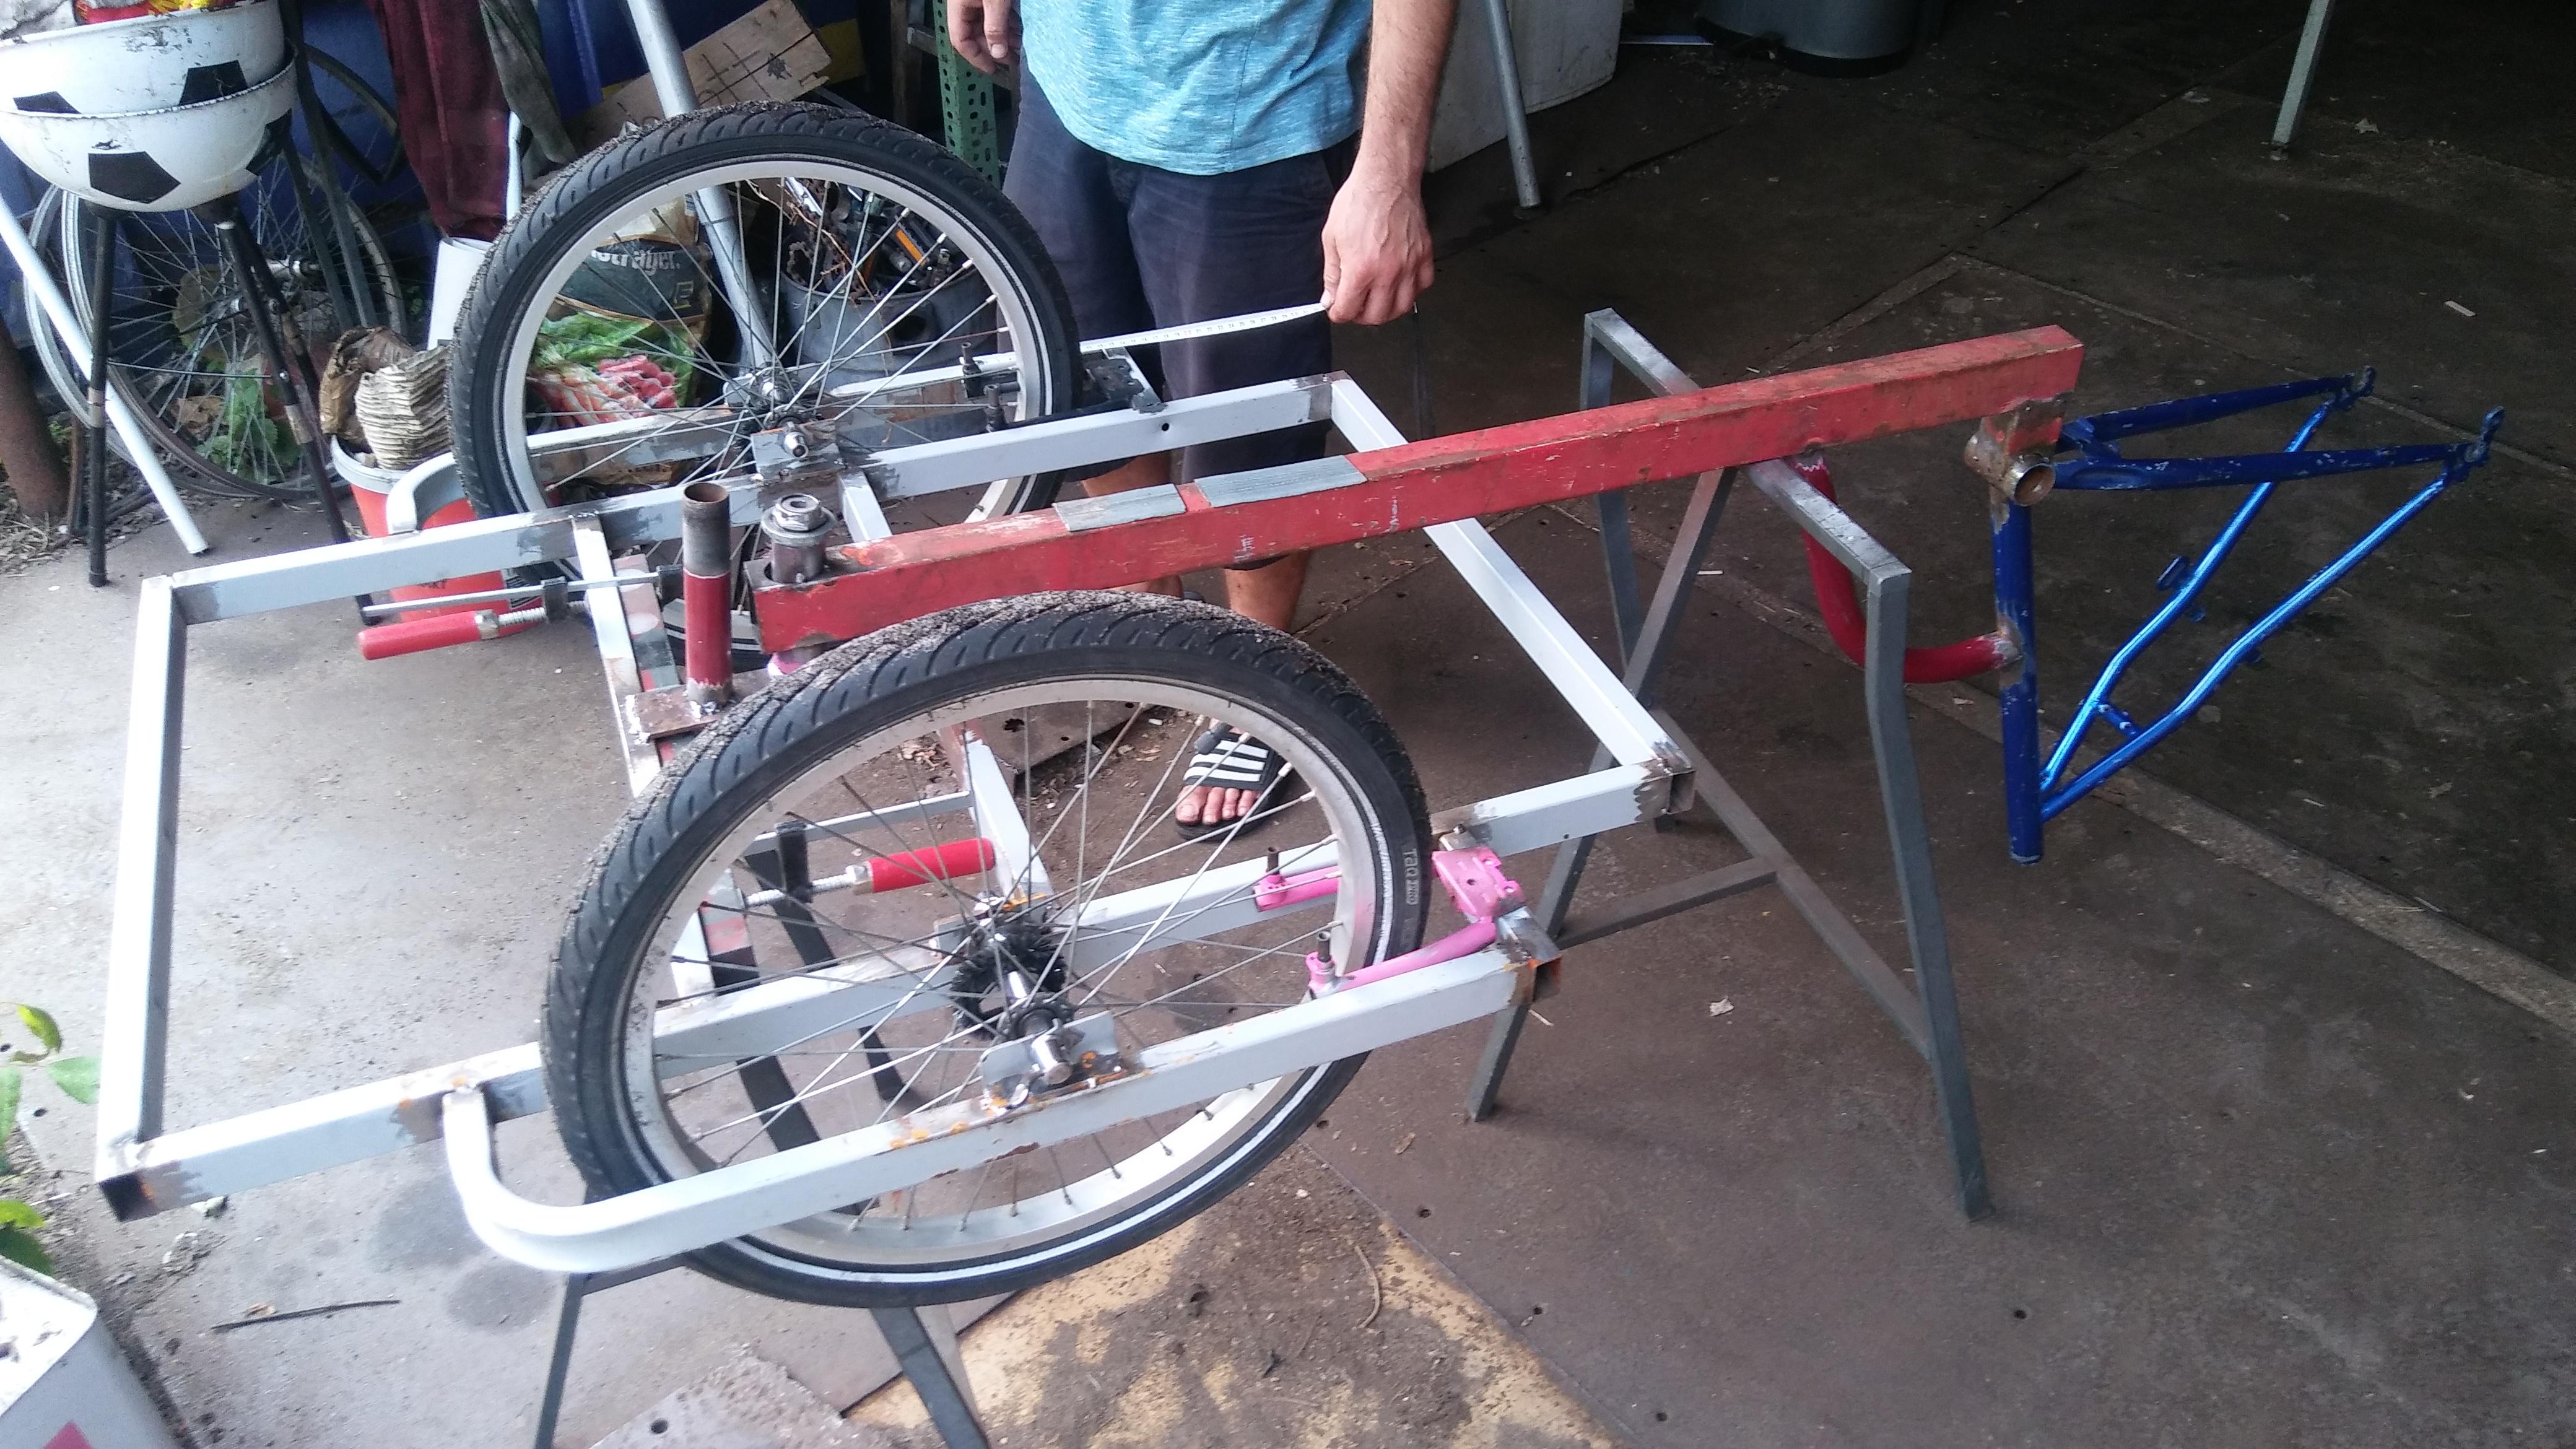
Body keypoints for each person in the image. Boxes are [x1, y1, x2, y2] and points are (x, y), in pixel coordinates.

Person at [949, 0, 1455, 834]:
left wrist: (1390, 172)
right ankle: (1155, 596)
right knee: (1079, 387)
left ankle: (1255, 683)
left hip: (1247, 118)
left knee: (1249, 445)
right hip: (1068, 76)